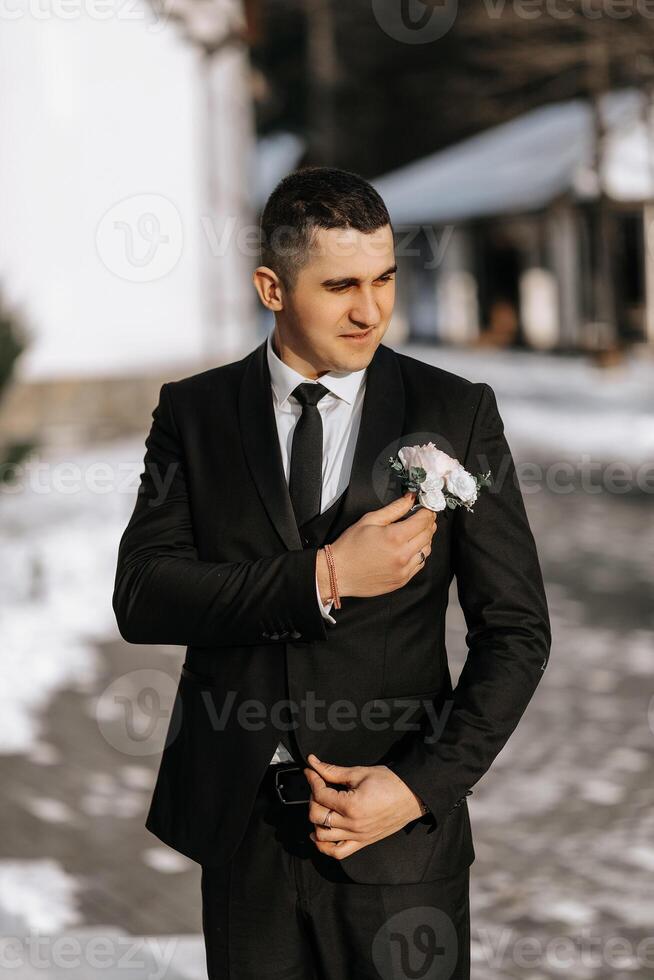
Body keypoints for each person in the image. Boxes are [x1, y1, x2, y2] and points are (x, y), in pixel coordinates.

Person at [112, 166, 551, 979]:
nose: (371, 308)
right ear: (271, 287)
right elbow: (142, 595)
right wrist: (322, 575)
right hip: (244, 840)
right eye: (340, 284)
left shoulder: (456, 412)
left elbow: (517, 634)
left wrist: (420, 788)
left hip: (398, 843)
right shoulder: (194, 414)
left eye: (385, 277)